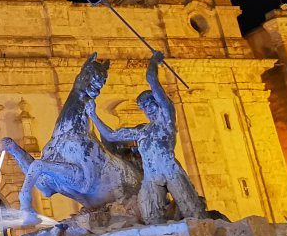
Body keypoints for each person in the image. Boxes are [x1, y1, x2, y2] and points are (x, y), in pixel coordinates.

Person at [86, 50, 205, 224]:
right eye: (143, 107)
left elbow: (152, 81)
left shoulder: (166, 119)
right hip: (151, 177)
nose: (147, 109)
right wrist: (93, 115)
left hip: (170, 171)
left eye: (150, 104)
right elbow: (111, 136)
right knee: (149, 215)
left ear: (158, 103)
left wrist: (153, 63)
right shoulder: (142, 131)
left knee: (192, 210)